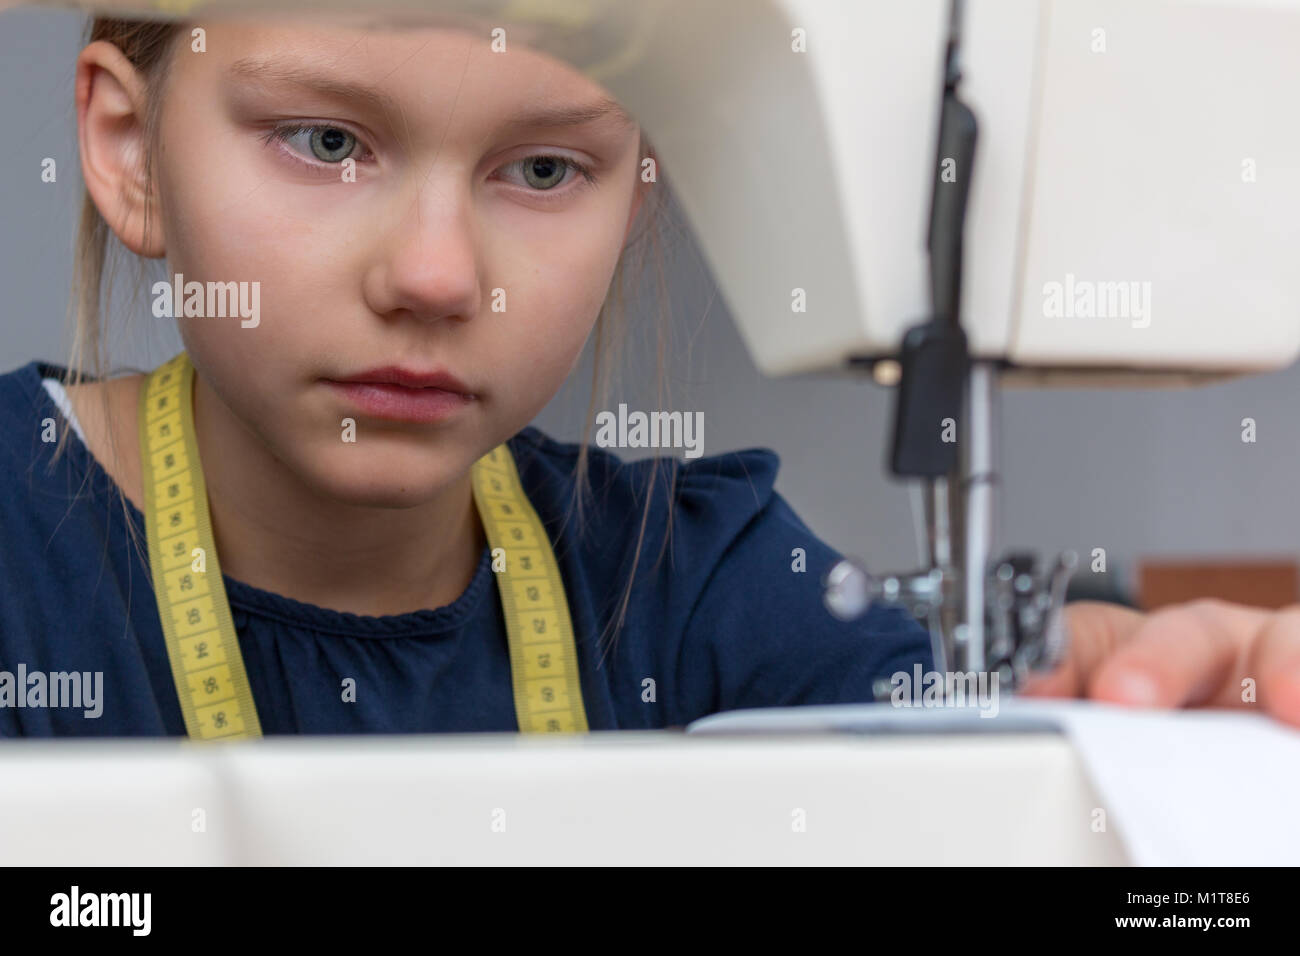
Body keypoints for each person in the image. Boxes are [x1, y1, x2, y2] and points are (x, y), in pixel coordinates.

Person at [1, 16, 1296, 736]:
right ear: (126, 148)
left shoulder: (702, 586)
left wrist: (1163, 699)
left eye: (547, 169)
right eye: (328, 141)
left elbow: (952, 731)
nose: (440, 274)